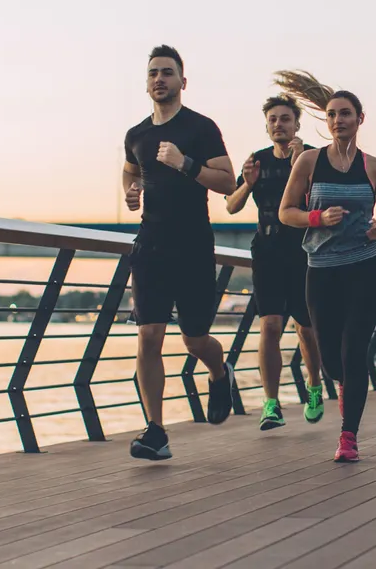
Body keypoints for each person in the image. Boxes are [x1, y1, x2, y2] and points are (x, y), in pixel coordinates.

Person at [122, 45, 240, 461]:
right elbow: (129, 169)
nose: (159, 79)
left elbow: (228, 182)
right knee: (149, 335)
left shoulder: (201, 128)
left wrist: (184, 163)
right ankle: (156, 431)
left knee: (194, 339)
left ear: (182, 82)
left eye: (168, 73)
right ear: (146, 81)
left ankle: (219, 371)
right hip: (150, 244)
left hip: (192, 245)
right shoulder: (136, 134)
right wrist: (130, 192)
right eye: (153, 72)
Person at [277, 70, 376, 463]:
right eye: (331, 115)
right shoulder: (309, 161)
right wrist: (316, 219)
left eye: (345, 114)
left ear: (360, 119)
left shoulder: (374, 167)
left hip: (364, 269)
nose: (337, 120)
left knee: (353, 349)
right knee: (329, 358)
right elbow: (285, 212)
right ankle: (345, 387)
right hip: (322, 270)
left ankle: (349, 437)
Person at [224, 93, 325, 430]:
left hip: (304, 251)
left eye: (285, 119)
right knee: (269, 325)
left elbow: (319, 200)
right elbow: (232, 206)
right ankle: (271, 403)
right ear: (267, 127)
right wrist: (248, 184)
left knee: (306, 329)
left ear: (296, 124)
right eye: (273, 120)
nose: (278, 124)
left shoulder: (311, 157)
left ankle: (313, 385)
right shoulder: (258, 160)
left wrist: (301, 164)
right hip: (266, 250)